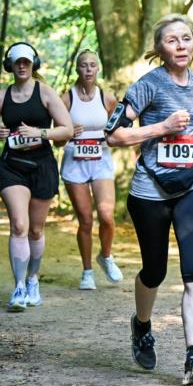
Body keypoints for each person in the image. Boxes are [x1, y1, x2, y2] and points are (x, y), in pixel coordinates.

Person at [105, 14, 193, 386]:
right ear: (159, 49)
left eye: (186, 38)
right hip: (150, 188)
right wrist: (161, 127)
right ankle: (142, 325)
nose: (180, 45)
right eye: (171, 40)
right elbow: (114, 135)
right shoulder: (147, 86)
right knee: (155, 271)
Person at [0, 42, 73, 312]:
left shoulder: (45, 93)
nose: (22, 66)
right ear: (9, 65)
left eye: (26, 61)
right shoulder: (1, 97)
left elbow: (66, 129)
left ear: (34, 63)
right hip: (12, 166)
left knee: (35, 229)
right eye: (17, 62)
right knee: (19, 226)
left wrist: (40, 133)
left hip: (42, 166)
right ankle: (19, 287)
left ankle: (33, 280)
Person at [57, 50, 123, 290]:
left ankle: (105, 256)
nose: (88, 69)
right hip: (75, 162)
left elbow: (119, 129)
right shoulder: (66, 100)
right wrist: (67, 133)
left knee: (106, 216)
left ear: (98, 69)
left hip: (101, 159)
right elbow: (56, 139)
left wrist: (111, 137)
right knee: (85, 219)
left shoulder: (107, 98)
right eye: (83, 65)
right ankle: (87, 272)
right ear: (77, 69)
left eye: (92, 65)